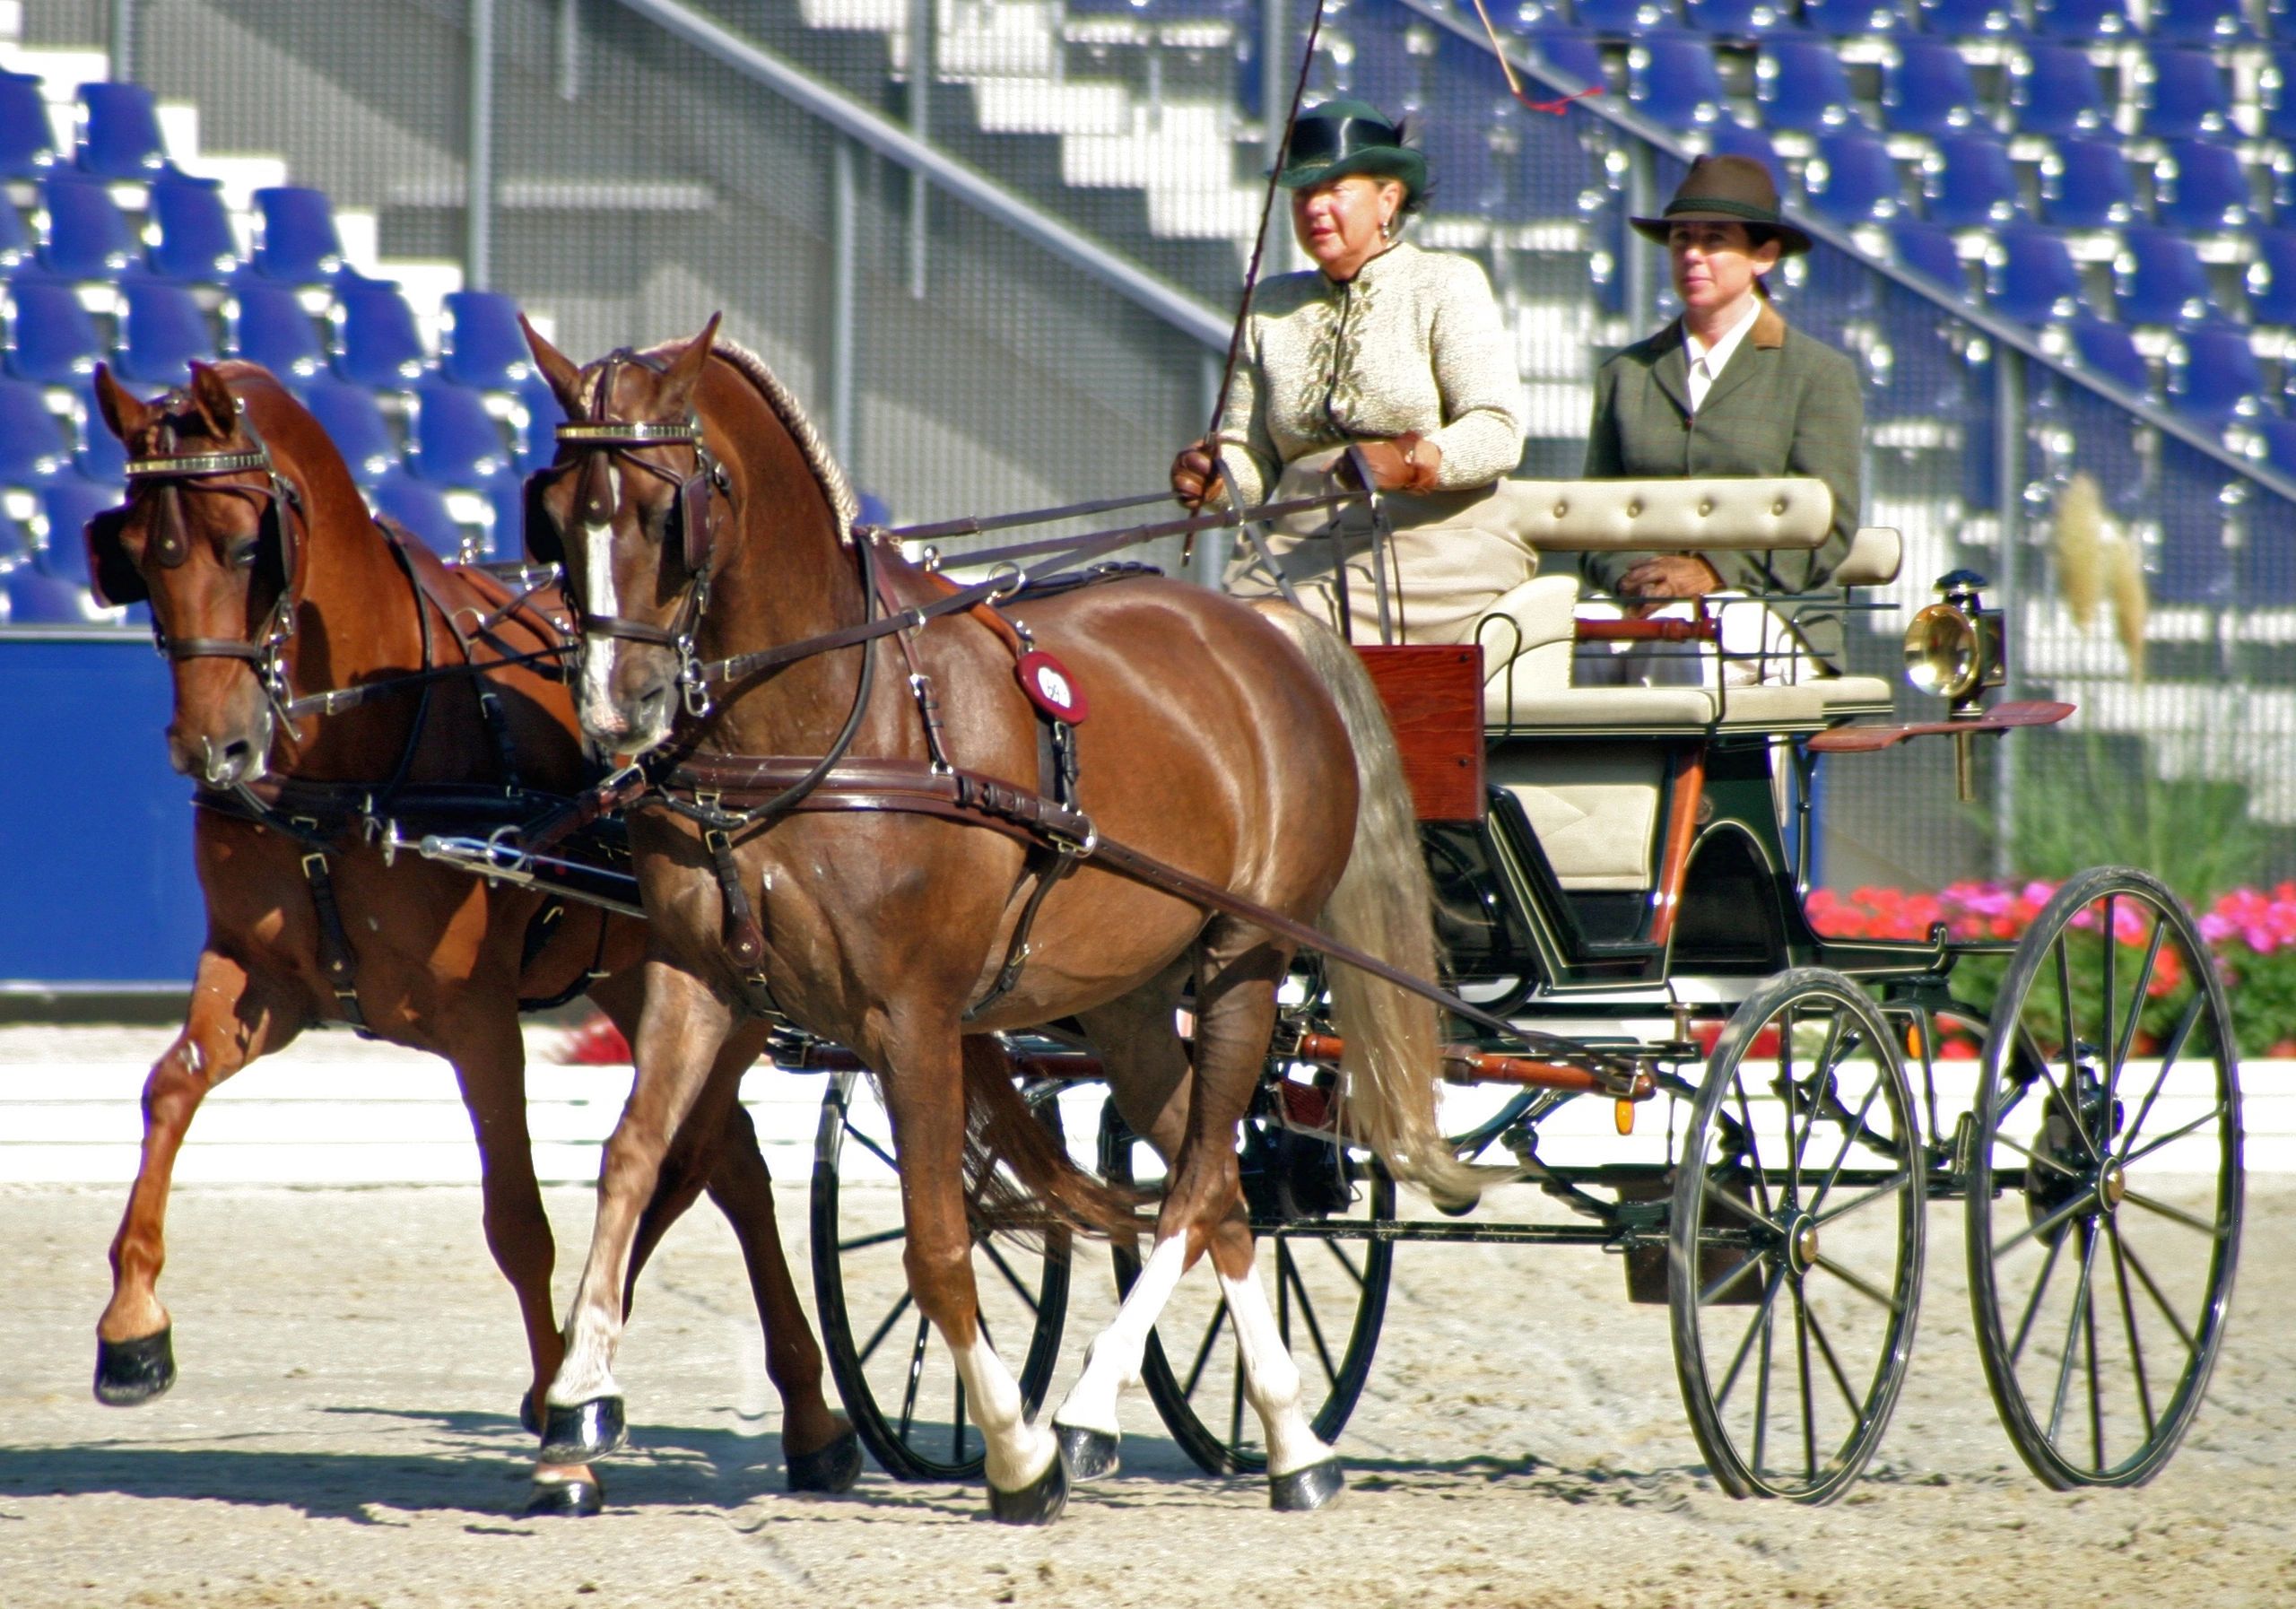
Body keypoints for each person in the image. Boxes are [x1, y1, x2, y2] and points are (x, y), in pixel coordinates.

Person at [1170, 99, 1532, 645]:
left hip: (1433, 545)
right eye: (1301, 194)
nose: (1314, 208)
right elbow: (1254, 456)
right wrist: (1217, 477)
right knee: (1199, 637)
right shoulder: (1270, 304)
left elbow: (1498, 430)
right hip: (1294, 547)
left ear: (1389, 199)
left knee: (1276, 635)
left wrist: (1414, 461)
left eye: (1335, 190)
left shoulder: (1446, 283)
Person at [1579, 154, 1863, 682]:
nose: (1692, 254)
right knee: (1567, 641)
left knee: (1678, 648)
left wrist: (1713, 570)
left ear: (1765, 256)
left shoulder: (1817, 374)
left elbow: (1829, 527)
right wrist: (1635, 580)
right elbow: (1596, 519)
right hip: (1643, 604)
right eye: (1681, 239)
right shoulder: (1626, 374)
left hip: (1777, 610)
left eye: (1715, 240)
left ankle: (1690, 768)